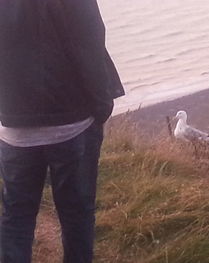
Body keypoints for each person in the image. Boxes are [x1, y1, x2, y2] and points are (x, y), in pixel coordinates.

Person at [0, 0, 125, 262]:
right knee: (76, 215)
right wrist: (102, 106)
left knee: (16, 218)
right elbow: (89, 45)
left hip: (15, 125)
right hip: (73, 123)